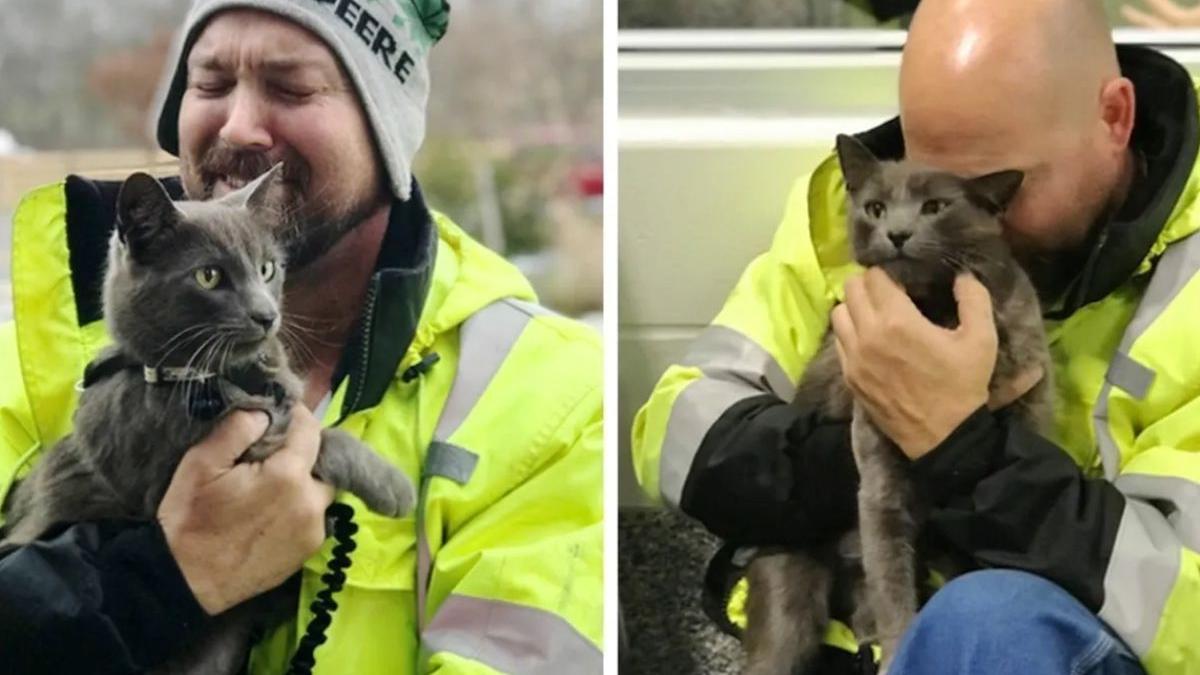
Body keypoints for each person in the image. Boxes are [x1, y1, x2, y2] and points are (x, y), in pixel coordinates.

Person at [0, 1, 602, 673]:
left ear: (386, 131)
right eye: (210, 83)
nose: (239, 124)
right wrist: (152, 583)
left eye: (291, 87)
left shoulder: (555, 395)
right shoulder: (22, 361)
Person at [632, 0, 1200, 673]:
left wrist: (969, 451)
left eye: (995, 190)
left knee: (986, 620)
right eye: (926, 169)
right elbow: (675, 430)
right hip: (847, 631)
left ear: (1114, 118)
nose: (942, 227)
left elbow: (1179, 603)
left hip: (1038, 638)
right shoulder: (859, 216)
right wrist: (876, 443)